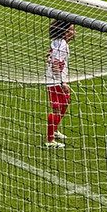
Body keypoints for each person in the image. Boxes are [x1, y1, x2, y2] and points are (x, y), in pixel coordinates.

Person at [44, 20, 74, 148]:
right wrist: (62, 82)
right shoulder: (62, 45)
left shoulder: (59, 43)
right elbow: (56, 64)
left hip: (54, 79)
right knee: (56, 109)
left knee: (66, 101)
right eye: (72, 30)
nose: (74, 32)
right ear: (65, 32)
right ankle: (50, 141)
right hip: (55, 80)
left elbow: (52, 57)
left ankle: (54, 130)